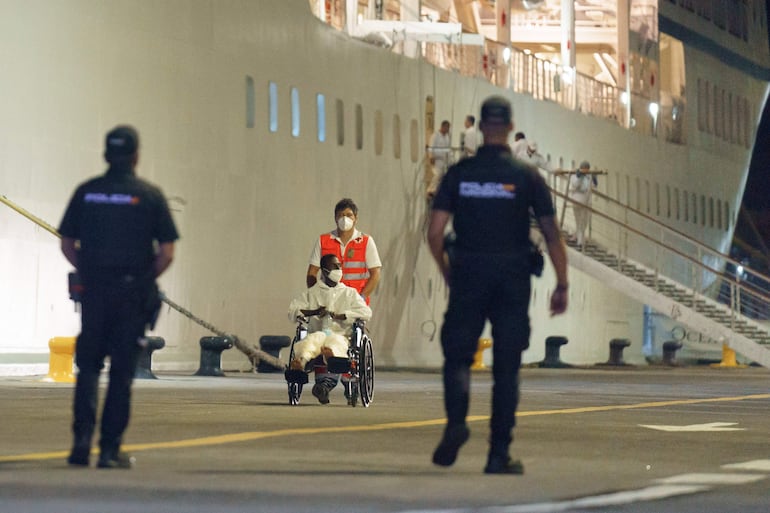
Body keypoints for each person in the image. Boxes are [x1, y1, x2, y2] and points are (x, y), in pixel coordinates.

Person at [427, 96, 568, 474]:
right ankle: (497, 454)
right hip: (511, 278)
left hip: (468, 274)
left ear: (481, 127)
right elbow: (553, 235)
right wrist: (562, 283)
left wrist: (447, 272)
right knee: (507, 368)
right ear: (507, 127)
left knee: (457, 356)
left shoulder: (458, 173)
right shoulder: (526, 176)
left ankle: (456, 423)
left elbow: (435, 232)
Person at [58, 125, 179, 469]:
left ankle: (81, 441)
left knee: (88, 368)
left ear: (106, 155)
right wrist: (142, 279)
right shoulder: (150, 195)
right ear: (136, 156)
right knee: (121, 373)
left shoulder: (87, 192)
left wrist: (92, 273)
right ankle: (109, 449)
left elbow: (67, 243)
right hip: (131, 295)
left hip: (94, 294)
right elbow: (167, 252)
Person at [305, 198, 381, 402]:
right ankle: (324, 383)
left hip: (353, 302)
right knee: (323, 336)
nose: (344, 219)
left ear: (356, 219)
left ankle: (350, 382)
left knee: (351, 341)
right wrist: (314, 297)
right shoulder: (324, 240)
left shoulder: (365, 241)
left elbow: (375, 274)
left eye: (349, 215)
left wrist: (361, 298)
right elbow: (312, 272)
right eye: (341, 216)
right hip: (328, 301)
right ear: (335, 218)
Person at [290, 254, 372, 404]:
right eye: (336, 266)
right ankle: (300, 363)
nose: (339, 269)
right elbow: (293, 310)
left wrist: (343, 315)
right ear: (325, 270)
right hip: (319, 334)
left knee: (334, 344)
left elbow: (366, 312)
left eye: (340, 266)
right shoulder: (312, 292)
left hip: (340, 334)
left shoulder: (349, 293)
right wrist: (314, 312)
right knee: (309, 343)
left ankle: (331, 358)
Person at [568, 160, 595, 246]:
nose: (585, 170)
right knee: (579, 219)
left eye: (587, 169)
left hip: (587, 200)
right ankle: (580, 241)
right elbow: (575, 185)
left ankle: (579, 237)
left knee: (585, 221)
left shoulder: (589, 175)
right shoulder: (574, 175)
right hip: (577, 198)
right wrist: (580, 176)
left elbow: (593, 186)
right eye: (584, 169)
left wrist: (594, 179)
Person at [427, 120, 452, 197]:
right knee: (437, 174)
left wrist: (449, 159)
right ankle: (430, 189)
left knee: (442, 176)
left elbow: (448, 148)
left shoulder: (447, 137)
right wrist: (431, 156)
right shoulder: (435, 135)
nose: (448, 130)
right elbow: (431, 146)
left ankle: (437, 190)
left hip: (444, 160)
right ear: (443, 127)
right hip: (436, 159)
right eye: (447, 128)